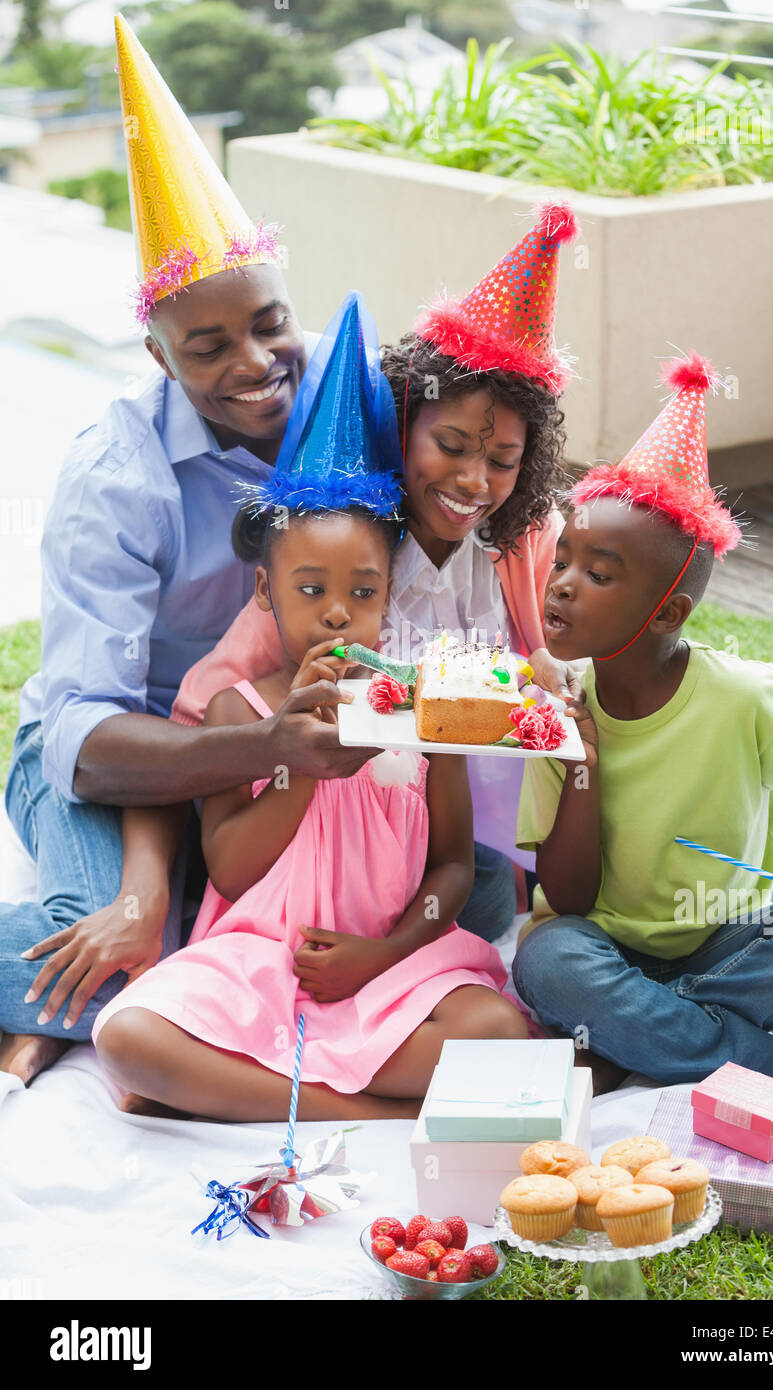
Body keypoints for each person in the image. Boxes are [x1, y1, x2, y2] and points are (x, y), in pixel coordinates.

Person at [0, 17, 376, 1084]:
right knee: (137, 954)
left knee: (472, 902)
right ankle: (89, 966)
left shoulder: (337, 410)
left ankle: (46, 1017)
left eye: (269, 324)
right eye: (208, 347)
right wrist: (263, 759)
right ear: (156, 351)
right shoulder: (113, 479)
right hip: (124, 766)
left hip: (267, 751)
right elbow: (86, 733)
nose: (257, 364)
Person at [92, 294, 527, 1121]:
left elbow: (453, 870)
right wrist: (287, 755)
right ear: (266, 591)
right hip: (259, 960)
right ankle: (370, 1116)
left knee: (500, 1031)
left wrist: (384, 954)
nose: (336, 611)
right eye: (310, 590)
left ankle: (259, 1093)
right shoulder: (237, 711)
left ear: (387, 595)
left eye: (363, 592)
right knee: (129, 1038)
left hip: (388, 968)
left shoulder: (428, 707)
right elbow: (232, 870)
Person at [170, 203, 589, 941]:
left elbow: (585, 652)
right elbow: (221, 690)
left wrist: (556, 664)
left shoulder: (522, 542)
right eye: (451, 446)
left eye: (501, 461)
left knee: (493, 893)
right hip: (382, 828)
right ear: (404, 425)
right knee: (473, 898)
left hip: (485, 826)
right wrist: (261, 744)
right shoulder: (355, 554)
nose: (472, 480)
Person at [511, 353, 773, 1093]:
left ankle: (643, 1036)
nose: (564, 586)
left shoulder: (741, 694)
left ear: (668, 613)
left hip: (732, 940)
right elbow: (568, 900)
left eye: (599, 574)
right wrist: (583, 759)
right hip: (607, 946)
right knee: (548, 960)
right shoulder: (556, 713)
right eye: (563, 560)